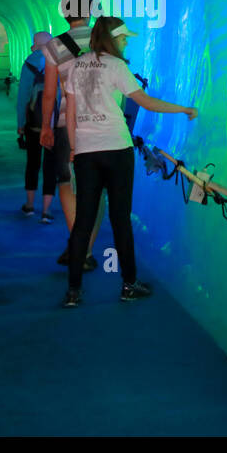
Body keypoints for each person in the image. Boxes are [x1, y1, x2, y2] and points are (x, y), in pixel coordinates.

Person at [60, 16, 197, 309]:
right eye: (123, 38)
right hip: (116, 149)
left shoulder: (76, 66)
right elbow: (146, 102)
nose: (126, 41)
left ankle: (73, 291)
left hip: (85, 152)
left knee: (84, 218)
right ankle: (128, 285)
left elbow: (70, 113)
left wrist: (74, 148)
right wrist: (183, 109)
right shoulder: (117, 66)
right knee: (120, 218)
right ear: (112, 38)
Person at [40, 0, 101, 271]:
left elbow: (49, 93)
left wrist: (46, 126)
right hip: (103, 123)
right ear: (88, 11)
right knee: (97, 189)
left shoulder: (54, 46)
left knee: (67, 182)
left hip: (68, 123)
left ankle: (77, 245)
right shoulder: (104, 40)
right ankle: (85, 250)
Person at [17, 33, 57, 223]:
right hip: (53, 124)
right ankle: (46, 211)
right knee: (51, 166)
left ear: (35, 45)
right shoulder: (59, 61)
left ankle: (30, 206)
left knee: (32, 164)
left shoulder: (29, 64)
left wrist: (20, 124)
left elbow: (23, 97)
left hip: (33, 124)